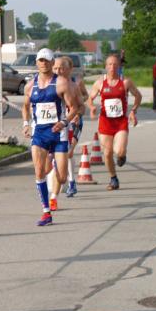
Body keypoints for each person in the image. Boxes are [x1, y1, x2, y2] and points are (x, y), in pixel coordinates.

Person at [21, 48, 78, 226]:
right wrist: (25, 124)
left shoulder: (61, 83)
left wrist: (64, 122)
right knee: (39, 171)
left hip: (58, 133)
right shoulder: (30, 85)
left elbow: (74, 108)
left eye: (46, 60)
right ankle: (46, 212)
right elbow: (25, 107)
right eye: (41, 60)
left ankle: (55, 162)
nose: (43, 63)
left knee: (61, 178)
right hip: (39, 133)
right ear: (36, 63)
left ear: (52, 63)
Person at [87, 53, 142, 190]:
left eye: (115, 64)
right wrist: (92, 107)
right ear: (106, 66)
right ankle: (113, 179)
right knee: (107, 153)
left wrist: (133, 111)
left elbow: (138, 96)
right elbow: (90, 98)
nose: (112, 67)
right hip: (105, 122)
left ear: (119, 66)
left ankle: (122, 155)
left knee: (119, 151)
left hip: (121, 122)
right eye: (110, 64)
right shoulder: (100, 83)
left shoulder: (126, 82)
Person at [48, 56, 87, 205]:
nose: (58, 71)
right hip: (54, 125)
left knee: (69, 152)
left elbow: (83, 100)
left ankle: (70, 182)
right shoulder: (49, 84)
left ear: (69, 69)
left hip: (72, 123)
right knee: (54, 159)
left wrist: (77, 113)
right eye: (55, 68)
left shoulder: (76, 83)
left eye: (62, 68)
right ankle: (61, 179)